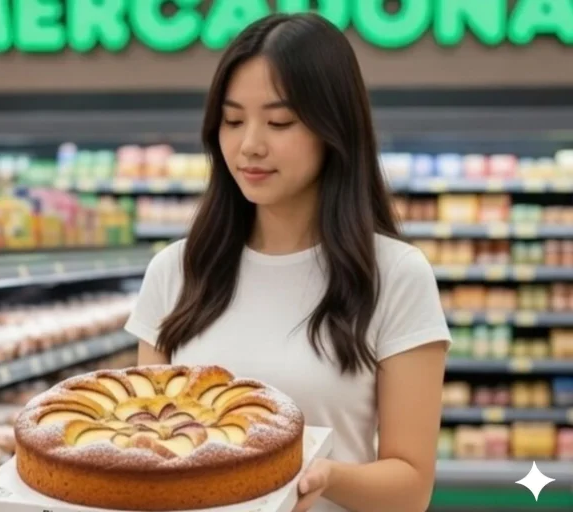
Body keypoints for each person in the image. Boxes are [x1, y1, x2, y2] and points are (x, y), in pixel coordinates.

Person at [124, 12, 451, 512]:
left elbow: (411, 487)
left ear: (333, 129)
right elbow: (150, 447)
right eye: (233, 121)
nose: (250, 145)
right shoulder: (175, 271)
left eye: (279, 122)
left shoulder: (395, 276)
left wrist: (325, 474)